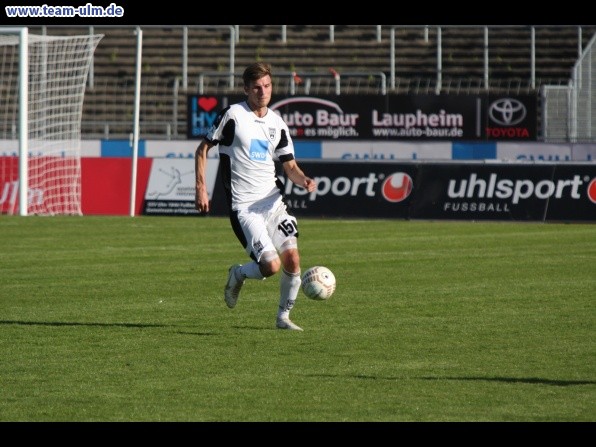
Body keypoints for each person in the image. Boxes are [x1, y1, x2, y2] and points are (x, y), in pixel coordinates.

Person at [194, 62, 317, 331]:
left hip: (273, 203)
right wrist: (201, 187)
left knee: (293, 259)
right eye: (257, 87)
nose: (263, 92)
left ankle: (283, 318)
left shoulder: (277, 123)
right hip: (245, 208)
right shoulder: (233, 116)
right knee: (270, 266)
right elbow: (202, 149)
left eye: (267, 86)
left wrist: (304, 179)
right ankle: (238, 273)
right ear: (246, 89)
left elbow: (290, 167)